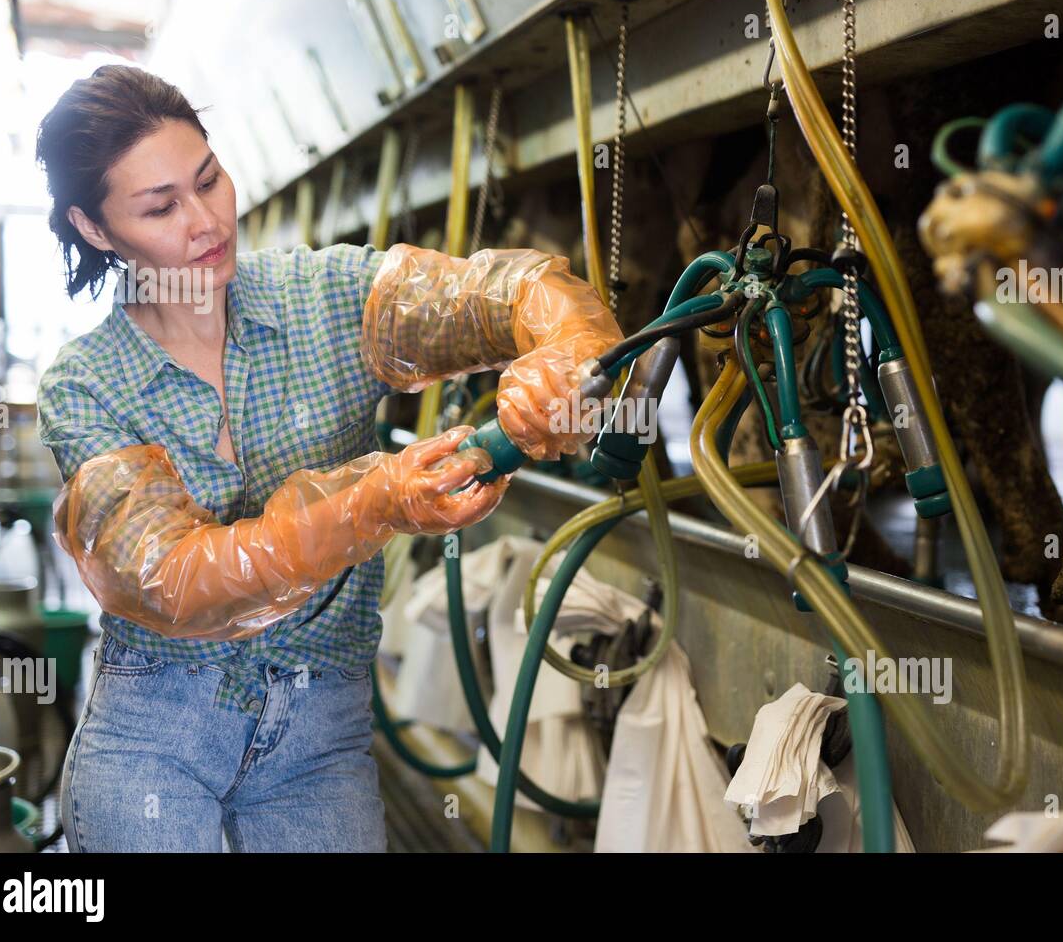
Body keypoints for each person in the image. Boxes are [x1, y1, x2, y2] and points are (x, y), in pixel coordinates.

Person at [34, 64, 622, 852]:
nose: (205, 220)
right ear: (97, 229)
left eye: (209, 180)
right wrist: (376, 501)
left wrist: (568, 352)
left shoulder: (329, 296)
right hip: (155, 739)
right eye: (160, 206)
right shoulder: (85, 383)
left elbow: (504, 294)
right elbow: (175, 581)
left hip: (320, 737)